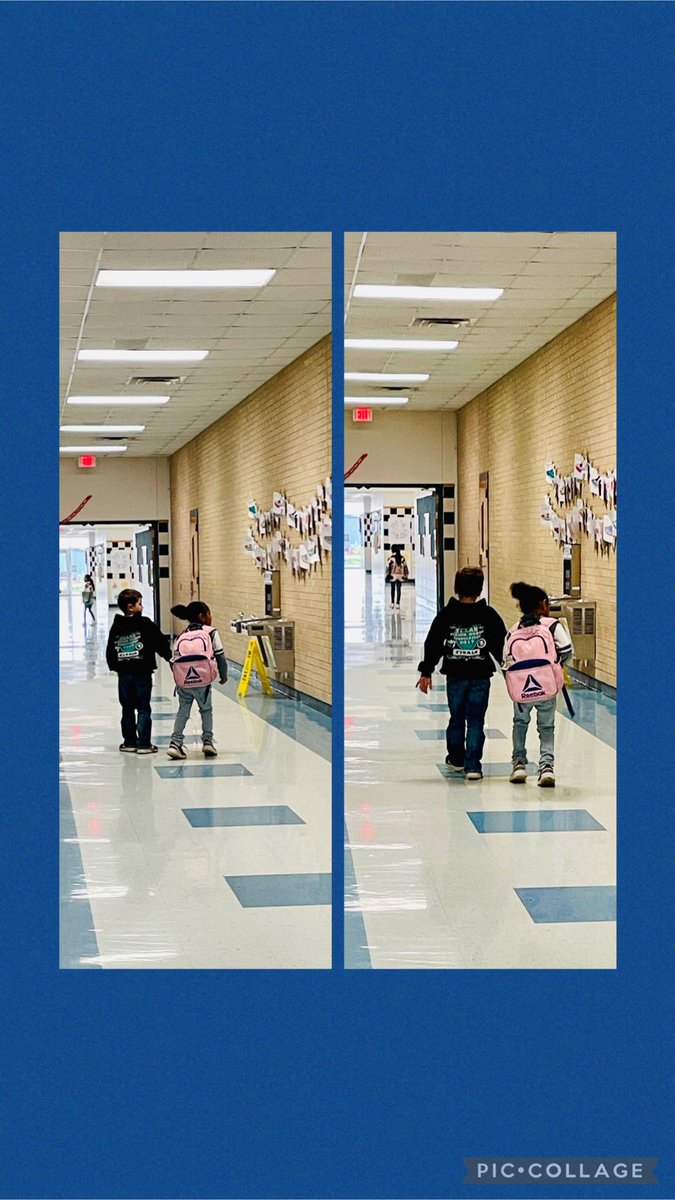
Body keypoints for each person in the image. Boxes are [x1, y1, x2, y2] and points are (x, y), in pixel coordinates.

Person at [416, 566, 507, 781]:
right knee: (476, 720)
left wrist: (426, 671)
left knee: (457, 718)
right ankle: (473, 766)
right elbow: (501, 644)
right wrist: (508, 668)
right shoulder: (488, 615)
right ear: (480, 589)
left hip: (455, 676)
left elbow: (433, 644)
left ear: (456, 587)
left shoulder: (447, 615)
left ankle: (456, 759)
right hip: (481, 676)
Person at [506, 581, 573, 788]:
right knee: (546, 727)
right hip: (546, 686)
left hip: (521, 688)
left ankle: (518, 764)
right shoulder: (552, 625)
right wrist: (555, 666)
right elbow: (567, 649)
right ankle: (546, 767)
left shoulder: (515, 629)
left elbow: (506, 659)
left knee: (520, 723)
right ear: (543, 603)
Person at [106, 588, 171, 754]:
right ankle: (144, 744)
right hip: (142, 673)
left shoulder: (117, 626)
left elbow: (110, 649)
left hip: (124, 675)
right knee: (143, 708)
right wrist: (170, 657)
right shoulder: (145, 624)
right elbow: (160, 642)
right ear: (130, 607)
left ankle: (129, 742)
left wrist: (115, 666)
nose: (142, 607)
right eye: (140, 604)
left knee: (127, 708)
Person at [167, 601, 228, 759]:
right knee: (206, 710)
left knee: (183, 711)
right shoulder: (211, 632)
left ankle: (175, 743)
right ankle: (207, 742)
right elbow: (220, 656)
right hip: (203, 681)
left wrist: (180, 678)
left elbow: (173, 659)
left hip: (184, 682)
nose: (210, 616)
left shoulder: (182, 634)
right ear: (202, 616)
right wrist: (223, 674)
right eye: (209, 613)